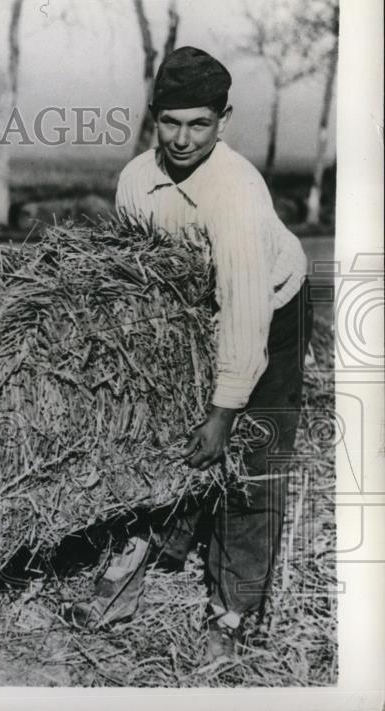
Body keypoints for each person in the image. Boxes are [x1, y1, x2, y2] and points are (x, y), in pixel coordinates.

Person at [66, 46, 313, 664]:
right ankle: (140, 559)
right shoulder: (134, 180)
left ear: (222, 121)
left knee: (249, 457)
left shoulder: (235, 194)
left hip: (270, 309)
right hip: (191, 312)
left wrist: (224, 411)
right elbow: (132, 282)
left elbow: (245, 310)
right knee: (162, 434)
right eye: (170, 122)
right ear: (154, 117)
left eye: (198, 124)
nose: (182, 138)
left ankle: (230, 614)